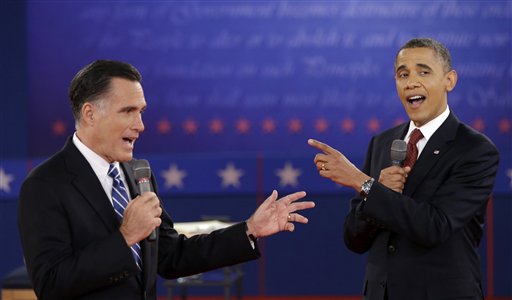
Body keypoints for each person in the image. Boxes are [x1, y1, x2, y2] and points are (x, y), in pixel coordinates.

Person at [18, 60, 315, 300]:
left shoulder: (137, 173)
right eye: (128, 111)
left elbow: (172, 256)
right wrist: (125, 237)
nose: (140, 125)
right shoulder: (44, 185)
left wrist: (249, 230)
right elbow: (51, 284)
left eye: (142, 111)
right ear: (90, 113)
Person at [308, 38, 499, 299]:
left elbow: (435, 227)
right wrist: (376, 192)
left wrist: (366, 184)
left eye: (424, 71)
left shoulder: (475, 149)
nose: (411, 82)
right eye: (403, 74)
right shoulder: (383, 143)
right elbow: (354, 239)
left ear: (449, 80)